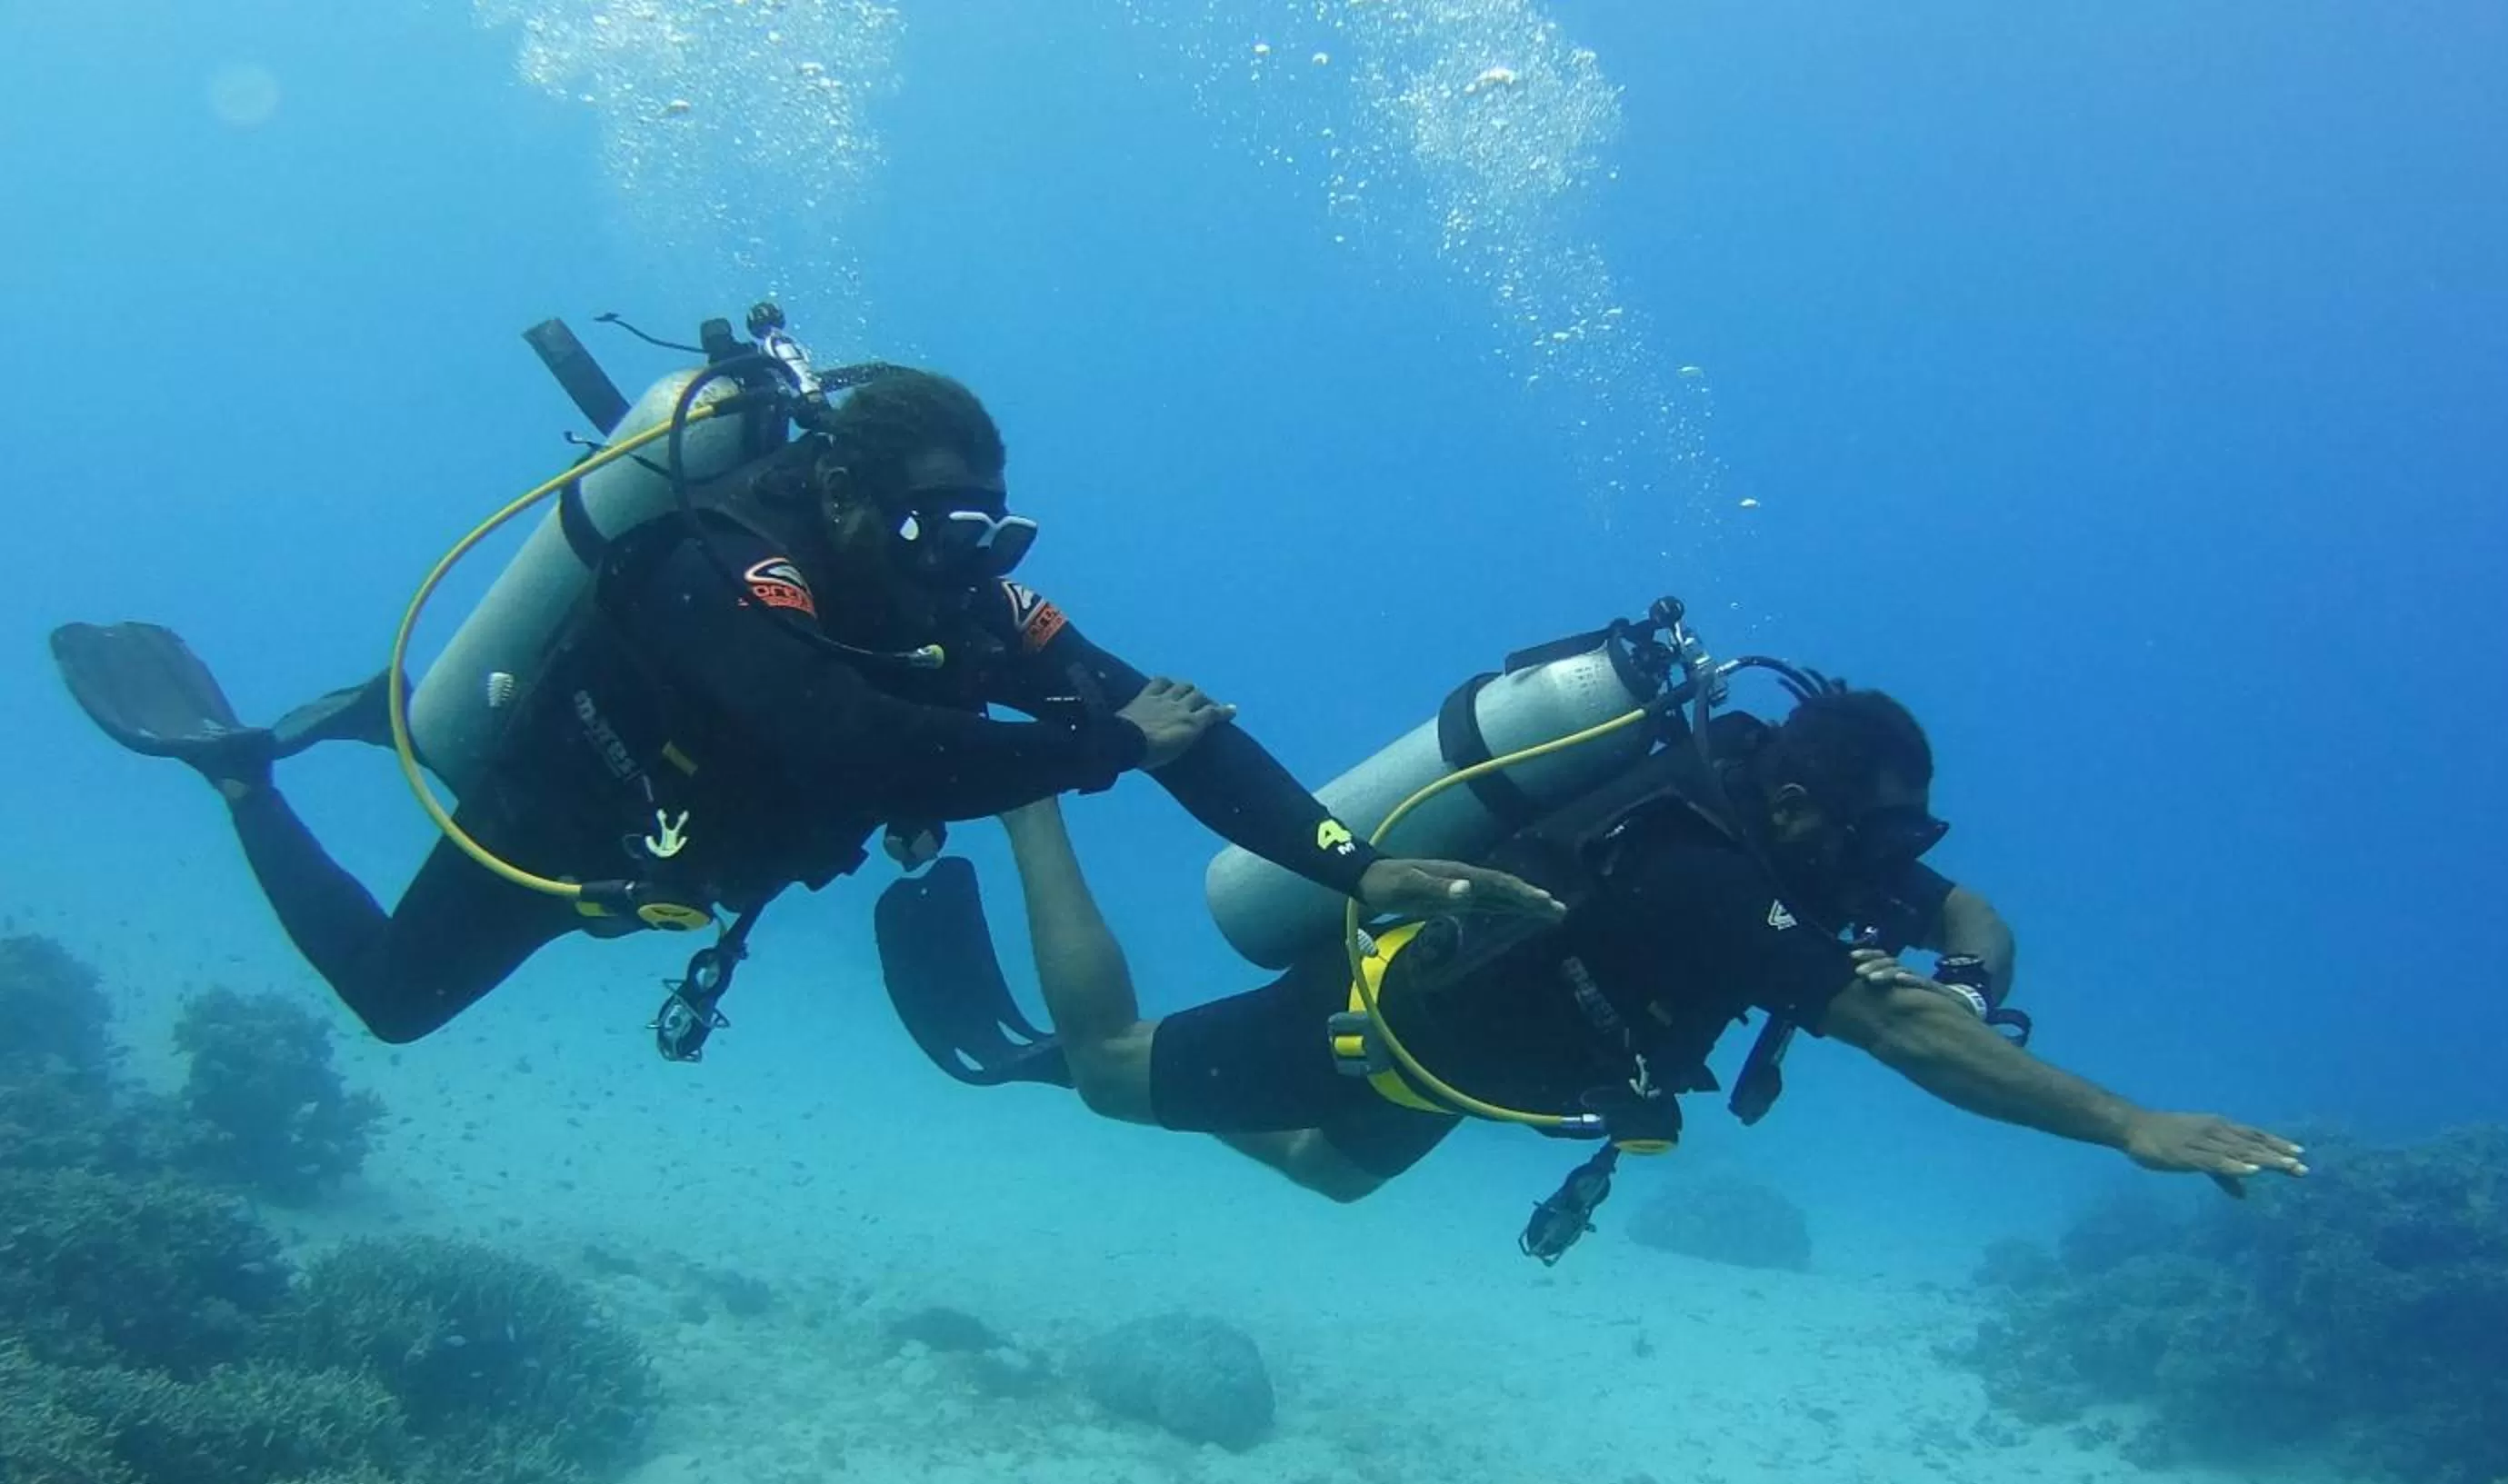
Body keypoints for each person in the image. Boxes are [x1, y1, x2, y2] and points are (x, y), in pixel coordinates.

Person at [51, 366, 1551, 1049]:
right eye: (934, 524)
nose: (961, 559)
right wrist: (1100, 744)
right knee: (391, 1002)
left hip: (693, 854)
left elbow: (1175, 721)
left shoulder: (954, 589)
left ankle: (344, 718)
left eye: (987, 529)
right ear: (835, 486)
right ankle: (250, 775)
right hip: (565, 804)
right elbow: (849, 741)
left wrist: (1356, 865)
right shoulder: (720, 560)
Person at [974, 678, 2306, 1226]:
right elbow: (1898, 1038)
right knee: (1102, 1069)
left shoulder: (1808, 839)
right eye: (1874, 841)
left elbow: (1975, 923)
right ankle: (1028, 793)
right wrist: (2128, 1122)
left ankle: (1216, 1078)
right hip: (1398, 1020)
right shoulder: (1708, 872)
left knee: (1332, 1179)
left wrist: (1964, 977)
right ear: (1797, 805)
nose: (1885, 874)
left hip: (1480, 1058)